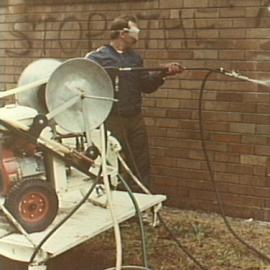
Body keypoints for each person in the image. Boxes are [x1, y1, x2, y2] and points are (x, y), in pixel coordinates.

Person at [85, 15, 184, 190]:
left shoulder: (135, 58)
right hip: (111, 119)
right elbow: (83, 82)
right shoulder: (97, 58)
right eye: (135, 30)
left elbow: (146, 86)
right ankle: (114, 202)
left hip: (134, 118)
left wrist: (162, 73)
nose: (138, 33)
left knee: (140, 162)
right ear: (123, 33)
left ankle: (140, 204)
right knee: (112, 162)